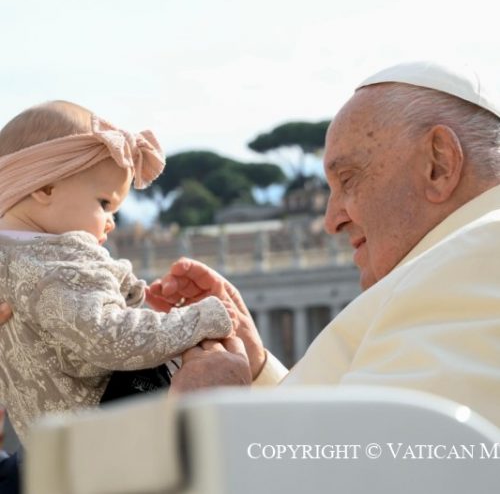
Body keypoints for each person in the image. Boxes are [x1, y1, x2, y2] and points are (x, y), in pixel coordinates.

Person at [147, 60, 500, 428]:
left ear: (438, 164)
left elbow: (374, 455)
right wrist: (257, 370)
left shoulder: (478, 258)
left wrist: (213, 415)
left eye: (348, 179)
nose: (331, 221)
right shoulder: (459, 266)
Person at [0, 101, 236, 445]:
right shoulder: (64, 263)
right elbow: (110, 337)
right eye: (104, 203)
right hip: (109, 433)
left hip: (50, 446)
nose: (111, 222)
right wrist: (201, 318)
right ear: (46, 188)